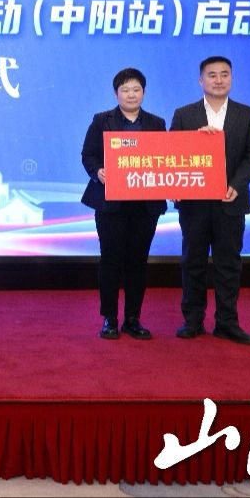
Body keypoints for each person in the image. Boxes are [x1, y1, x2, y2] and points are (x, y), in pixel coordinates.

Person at [170, 56, 250, 346]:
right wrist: (194, 141)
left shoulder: (247, 114)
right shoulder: (184, 115)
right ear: (201, 80)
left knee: (228, 264)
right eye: (212, 75)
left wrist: (237, 184)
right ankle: (193, 320)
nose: (219, 80)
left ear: (231, 78)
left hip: (230, 200)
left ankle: (227, 323)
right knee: (193, 262)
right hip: (194, 203)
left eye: (224, 74)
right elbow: (171, 152)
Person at [81, 68, 167, 340]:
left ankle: (132, 318)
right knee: (110, 260)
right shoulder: (102, 120)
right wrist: (98, 172)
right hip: (111, 204)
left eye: (136, 89)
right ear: (116, 93)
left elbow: (166, 157)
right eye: (125, 90)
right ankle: (109, 318)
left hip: (145, 205)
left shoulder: (156, 123)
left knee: (138, 262)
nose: (131, 95)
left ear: (144, 92)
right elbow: (88, 155)